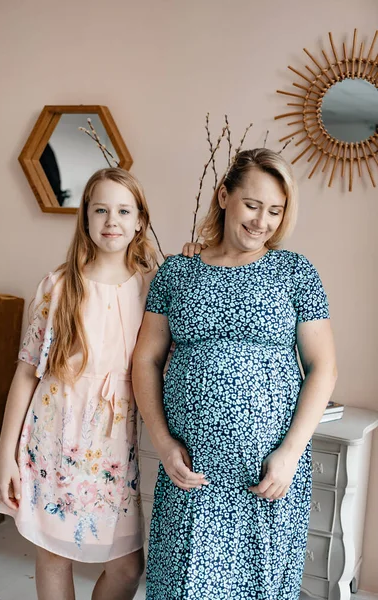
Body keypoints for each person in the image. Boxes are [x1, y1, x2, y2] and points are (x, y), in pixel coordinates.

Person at [132, 148, 338, 600]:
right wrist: (164, 444)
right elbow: (145, 359)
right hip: (192, 469)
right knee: (181, 584)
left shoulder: (296, 273)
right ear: (224, 196)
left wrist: (290, 452)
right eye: (252, 204)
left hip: (265, 470)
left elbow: (324, 367)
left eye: (275, 210)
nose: (262, 221)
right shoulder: (177, 272)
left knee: (259, 586)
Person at [0, 167, 197, 600]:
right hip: (52, 436)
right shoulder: (59, 285)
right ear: (85, 217)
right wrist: (4, 457)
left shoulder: (153, 286)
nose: (112, 221)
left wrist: (193, 262)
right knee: (53, 554)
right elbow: (27, 373)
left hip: (113, 449)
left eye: (124, 211)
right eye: (101, 209)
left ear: (140, 219)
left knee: (127, 568)